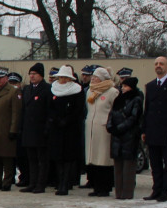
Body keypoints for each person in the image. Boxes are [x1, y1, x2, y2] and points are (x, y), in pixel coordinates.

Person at [141, 56, 167, 202]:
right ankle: (156, 190)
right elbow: (147, 110)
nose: (158, 66)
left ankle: (166, 192)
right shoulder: (151, 86)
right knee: (155, 163)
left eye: (161, 64)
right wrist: (144, 130)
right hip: (153, 131)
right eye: (156, 64)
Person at [47, 65, 86, 196]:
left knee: (68, 157)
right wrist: (55, 119)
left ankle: (66, 183)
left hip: (71, 128)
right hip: (56, 128)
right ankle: (59, 182)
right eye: (60, 77)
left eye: (64, 77)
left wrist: (67, 120)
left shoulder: (77, 90)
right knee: (58, 156)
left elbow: (78, 110)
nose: (62, 79)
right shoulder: (54, 89)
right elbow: (50, 107)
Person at [106, 76, 143, 199]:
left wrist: (120, 128)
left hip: (129, 136)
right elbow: (111, 113)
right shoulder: (118, 99)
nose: (123, 88)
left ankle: (127, 193)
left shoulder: (136, 99)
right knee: (118, 166)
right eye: (122, 86)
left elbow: (133, 118)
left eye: (125, 86)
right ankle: (119, 192)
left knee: (128, 167)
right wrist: (110, 126)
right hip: (117, 136)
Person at [84, 67, 117, 197]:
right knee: (93, 158)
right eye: (93, 77)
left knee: (103, 158)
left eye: (96, 77)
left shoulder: (112, 92)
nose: (93, 79)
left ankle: (105, 187)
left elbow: (115, 110)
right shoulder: (90, 92)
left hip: (104, 129)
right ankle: (96, 186)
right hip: (91, 129)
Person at [19, 63, 51, 193]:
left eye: (34, 74)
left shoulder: (47, 89)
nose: (32, 76)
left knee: (41, 159)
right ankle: (32, 182)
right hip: (28, 129)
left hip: (40, 129)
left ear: (41, 75)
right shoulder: (27, 89)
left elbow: (49, 110)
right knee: (31, 158)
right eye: (30, 74)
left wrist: (47, 128)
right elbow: (23, 109)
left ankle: (41, 183)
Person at [7, 72, 28, 186]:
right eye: (11, 83)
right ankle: (10, 177)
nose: (13, 85)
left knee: (22, 156)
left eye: (15, 83)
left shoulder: (24, 94)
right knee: (10, 156)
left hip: (21, 129)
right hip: (8, 128)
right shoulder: (7, 94)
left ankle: (24, 176)